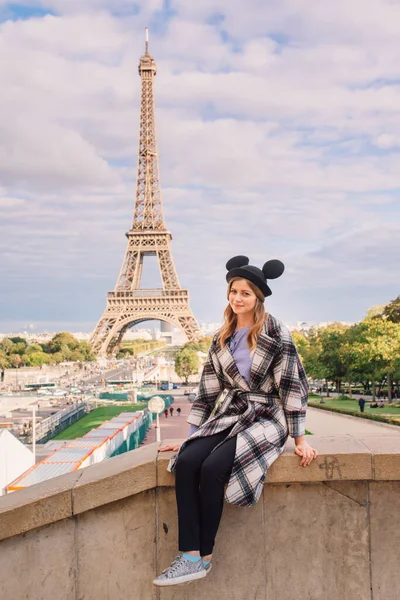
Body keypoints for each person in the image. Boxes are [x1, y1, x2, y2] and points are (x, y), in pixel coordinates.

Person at [154, 255, 318, 587]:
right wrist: (189, 437)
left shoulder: (275, 331)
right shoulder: (222, 336)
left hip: (268, 417)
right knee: (186, 462)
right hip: (233, 413)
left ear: (258, 297)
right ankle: (188, 555)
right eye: (233, 291)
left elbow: (290, 386)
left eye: (245, 293)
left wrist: (299, 440)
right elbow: (206, 393)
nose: (237, 298)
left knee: (214, 468)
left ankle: (205, 557)